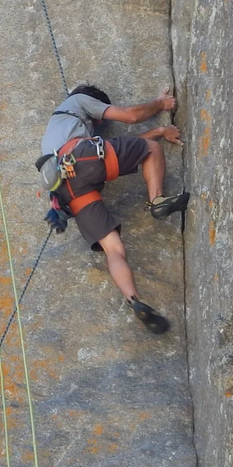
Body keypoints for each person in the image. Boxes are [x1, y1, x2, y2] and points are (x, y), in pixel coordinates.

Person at [38, 84, 189, 333]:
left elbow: (123, 147)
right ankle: (157, 200)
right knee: (151, 150)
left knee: (114, 249)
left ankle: (134, 299)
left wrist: (161, 130)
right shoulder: (78, 101)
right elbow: (130, 116)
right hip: (83, 158)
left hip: (66, 191)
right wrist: (161, 104)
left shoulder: (54, 134)